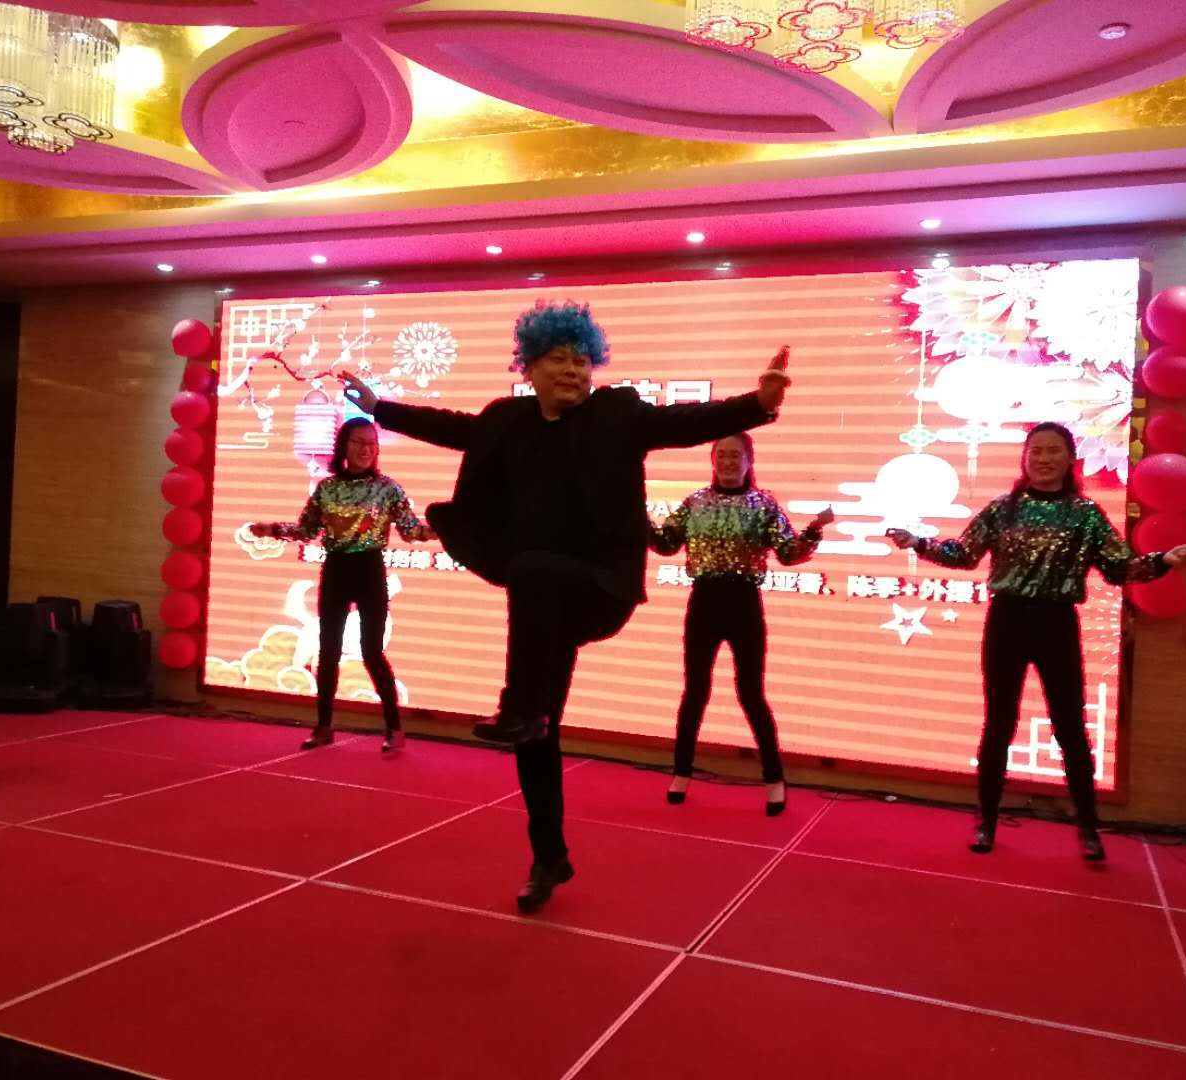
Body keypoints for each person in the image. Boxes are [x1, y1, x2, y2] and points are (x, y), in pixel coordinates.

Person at [339, 299, 792, 912]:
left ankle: (517, 704)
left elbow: (684, 421)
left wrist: (757, 404)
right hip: (544, 606)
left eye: (582, 360)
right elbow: (455, 428)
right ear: (529, 367)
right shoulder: (509, 421)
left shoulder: (617, 414)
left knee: (529, 584)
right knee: (537, 730)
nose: (574, 371)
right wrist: (379, 409)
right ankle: (548, 854)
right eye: (559, 359)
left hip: (600, 590)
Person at [886, 421, 1186, 860]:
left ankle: (1088, 827)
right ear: (1025, 458)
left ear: (1070, 459)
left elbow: (1118, 568)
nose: (1043, 458)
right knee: (998, 724)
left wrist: (1162, 561)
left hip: (1057, 624)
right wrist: (918, 543)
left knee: (1070, 726)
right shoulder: (1003, 509)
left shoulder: (1085, 514)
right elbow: (963, 554)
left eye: (1053, 450)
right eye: (1035, 450)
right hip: (1007, 620)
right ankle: (986, 822)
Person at [649, 432, 833, 816]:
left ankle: (774, 780)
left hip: (744, 604)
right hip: (703, 602)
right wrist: (638, 519)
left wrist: (814, 530)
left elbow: (788, 553)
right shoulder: (696, 501)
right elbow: (666, 544)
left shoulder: (763, 504)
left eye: (736, 455)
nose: (728, 462)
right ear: (713, 460)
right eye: (722, 455)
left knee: (751, 693)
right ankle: (680, 773)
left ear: (749, 461)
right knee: (694, 691)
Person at [250, 417, 435, 753]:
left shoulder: (388, 488)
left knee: (371, 651)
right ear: (344, 446)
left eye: (371, 443)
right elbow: (307, 530)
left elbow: (411, 531)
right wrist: (273, 529)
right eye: (358, 442)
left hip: (370, 571)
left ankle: (394, 728)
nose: (366, 449)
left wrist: (443, 530)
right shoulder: (327, 488)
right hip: (336, 569)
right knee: (329, 650)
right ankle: (323, 727)